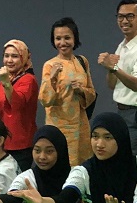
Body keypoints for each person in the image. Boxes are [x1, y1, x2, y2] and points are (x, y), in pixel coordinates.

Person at [98, 0, 137, 158]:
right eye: (120, 16)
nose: (124, 21)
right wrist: (110, 69)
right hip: (122, 111)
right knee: (121, 158)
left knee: (134, 160)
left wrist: (113, 67)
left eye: (130, 16)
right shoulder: (122, 46)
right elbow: (112, 85)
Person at [40, 16, 97, 165]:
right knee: (60, 164)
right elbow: (45, 100)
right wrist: (52, 78)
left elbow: (92, 93)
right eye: (58, 38)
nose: (62, 43)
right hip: (58, 126)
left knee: (82, 165)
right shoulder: (49, 65)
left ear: (74, 38)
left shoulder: (82, 61)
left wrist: (81, 91)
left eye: (67, 38)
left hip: (81, 126)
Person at [0, 39, 38, 171]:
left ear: (24, 58)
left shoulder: (28, 79)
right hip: (2, 143)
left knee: (16, 181)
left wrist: (5, 81)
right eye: (6, 56)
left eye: (15, 56)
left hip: (20, 145)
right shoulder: (5, 79)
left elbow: (17, 104)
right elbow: (2, 107)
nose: (9, 60)